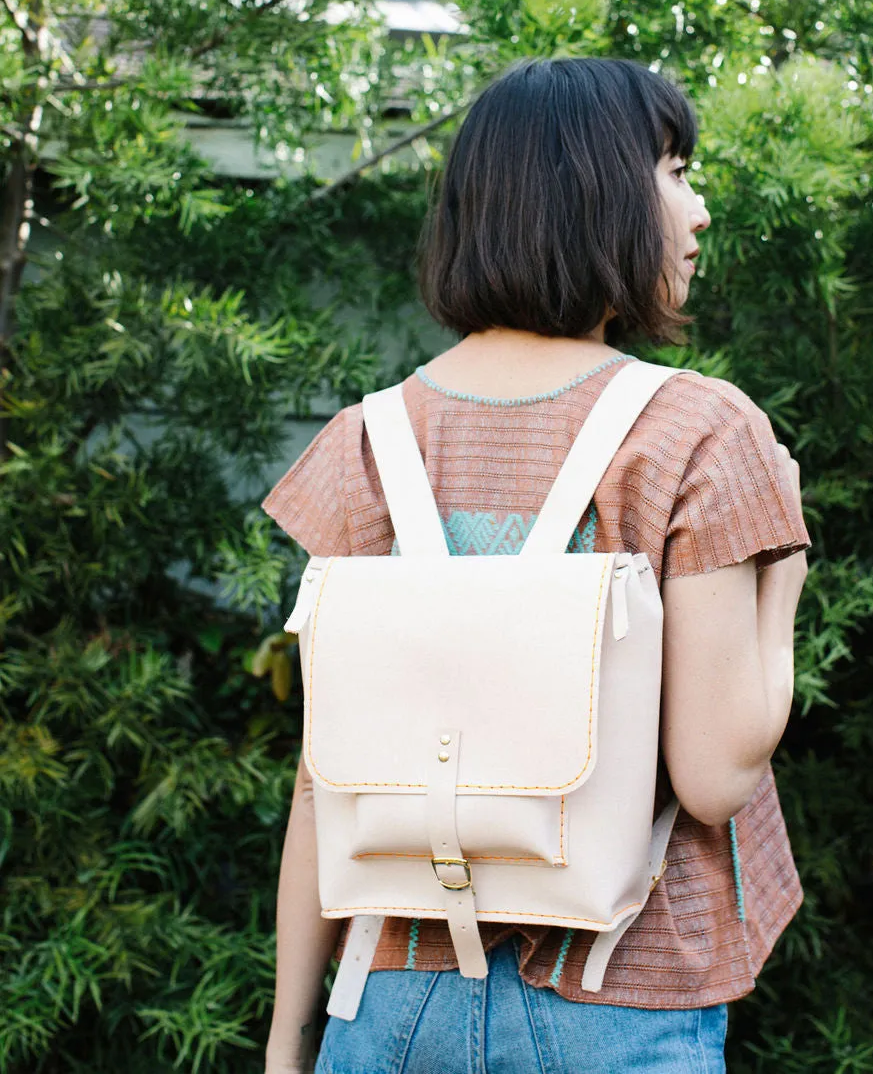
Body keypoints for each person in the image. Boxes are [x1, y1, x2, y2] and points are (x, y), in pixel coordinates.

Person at [262, 57, 810, 1074]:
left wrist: (290, 1042)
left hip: (386, 1004)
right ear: (597, 191)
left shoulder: (369, 440)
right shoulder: (694, 430)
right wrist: (783, 577)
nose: (697, 213)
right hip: (617, 998)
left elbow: (321, 782)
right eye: (677, 171)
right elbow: (714, 773)